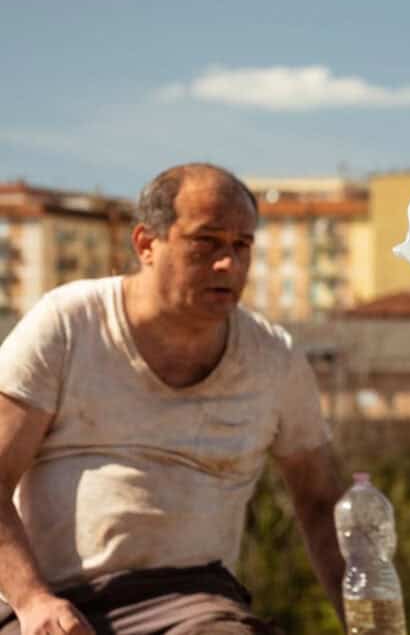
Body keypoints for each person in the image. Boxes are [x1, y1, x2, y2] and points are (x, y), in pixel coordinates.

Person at [0, 163, 347, 634]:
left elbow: (321, 501)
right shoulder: (69, 323)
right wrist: (33, 599)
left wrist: (371, 624)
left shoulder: (273, 359)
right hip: (51, 600)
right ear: (146, 244)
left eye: (241, 246)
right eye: (207, 243)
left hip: (193, 605)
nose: (229, 264)